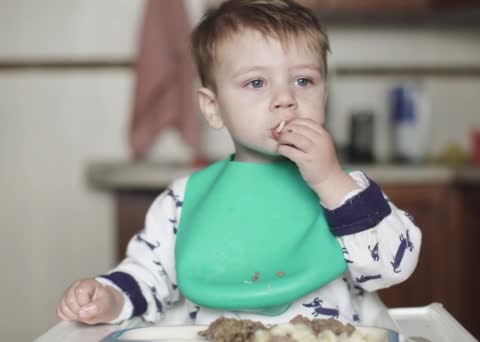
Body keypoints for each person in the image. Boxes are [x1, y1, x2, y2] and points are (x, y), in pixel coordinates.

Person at [56, 0, 421, 327]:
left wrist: (330, 181)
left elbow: (394, 266)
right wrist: (109, 297)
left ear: (324, 94)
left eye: (303, 80)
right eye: (257, 82)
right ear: (213, 109)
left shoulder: (348, 195)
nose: (285, 99)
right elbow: (148, 277)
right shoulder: (185, 201)